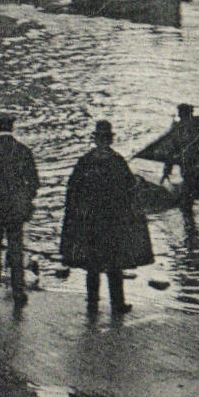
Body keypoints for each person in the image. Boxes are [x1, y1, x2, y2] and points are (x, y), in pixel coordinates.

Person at [59, 119, 153, 315]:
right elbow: (129, 191)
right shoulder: (117, 161)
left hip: (91, 221)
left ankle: (92, 302)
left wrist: (76, 216)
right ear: (110, 140)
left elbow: (73, 190)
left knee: (92, 263)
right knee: (114, 264)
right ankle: (117, 304)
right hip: (112, 221)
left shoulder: (86, 161)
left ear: (96, 140)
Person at [0, 113, 39, 307]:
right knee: (16, 247)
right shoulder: (23, 151)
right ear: (12, 127)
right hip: (15, 209)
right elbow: (34, 182)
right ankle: (18, 289)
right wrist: (25, 199)